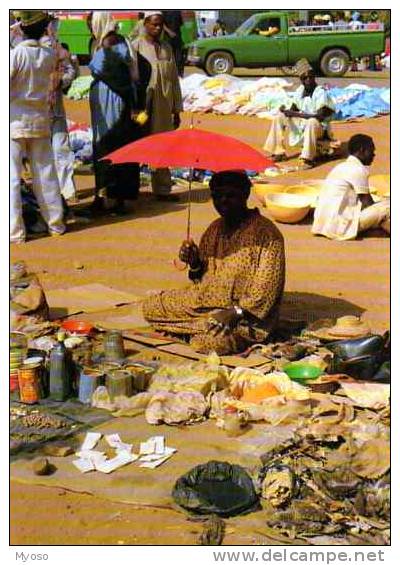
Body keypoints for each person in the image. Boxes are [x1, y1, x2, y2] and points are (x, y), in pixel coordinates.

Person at [143, 170, 286, 355]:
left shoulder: (267, 235)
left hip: (245, 318)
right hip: (203, 304)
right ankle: (197, 328)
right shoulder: (214, 229)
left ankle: (195, 331)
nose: (223, 202)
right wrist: (194, 262)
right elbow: (200, 278)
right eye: (217, 196)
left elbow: (266, 291)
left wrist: (234, 313)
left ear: (245, 195)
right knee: (150, 307)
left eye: (230, 195)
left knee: (209, 343)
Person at [10, 10, 65, 244]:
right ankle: (56, 224)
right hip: (40, 120)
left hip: (14, 120)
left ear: (21, 29)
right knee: (45, 174)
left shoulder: (16, 55)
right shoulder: (48, 55)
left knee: (11, 177)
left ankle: (15, 232)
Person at [89, 11, 151, 215]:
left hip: (113, 103)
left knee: (109, 146)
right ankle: (110, 197)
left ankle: (111, 199)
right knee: (116, 146)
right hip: (116, 101)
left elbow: (112, 72)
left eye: (91, 23)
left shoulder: (110, 42)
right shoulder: (118, 40)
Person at [131, 11, 183, 201]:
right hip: (143, 108)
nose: (158, 28)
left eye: (160, 25)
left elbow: (174, 80)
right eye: (154, 24)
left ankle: (162, 190)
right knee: (138, 145)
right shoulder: (135, 47)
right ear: (145, 24)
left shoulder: (166, 48)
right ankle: (131, 188)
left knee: (162, 147)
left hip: (163, 108)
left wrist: (176, 110)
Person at [312, 134, 390, 240]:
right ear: (362, 150)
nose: (374, 155)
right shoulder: (358, 169)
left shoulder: (341, 167)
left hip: (323, 224)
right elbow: (368, 204)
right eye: (371, 151)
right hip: (339, 227)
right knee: (387, 207)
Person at [263, 58, 335, 170]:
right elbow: (293, 109)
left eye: (310, 77)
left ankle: (307, 159)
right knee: (279, 117)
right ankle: (278, 152)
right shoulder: (300, 91)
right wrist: (285, 111)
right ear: (301, 80)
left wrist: (295, 114)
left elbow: (320, 116)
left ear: (314, 77)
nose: (308, 80)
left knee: (311, 121)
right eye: (305, 78)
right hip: (302, 124)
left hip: (319, 129)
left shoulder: (320, 92)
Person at [40, 18, 79, 203]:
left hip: (56, 109)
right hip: (35, 112)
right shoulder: (24, 49)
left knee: (61, 149)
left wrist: (58, 82)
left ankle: (68, 191)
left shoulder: (59, 49)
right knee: (40, 155)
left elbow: (71, 71)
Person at [162, 10, 184, 77]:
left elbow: (181, 23)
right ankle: (170, 74)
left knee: (179, 56)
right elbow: (161, 24)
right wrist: (169, 32)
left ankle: (179, 74)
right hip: (168, 37)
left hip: (177, 36)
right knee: (169, 56)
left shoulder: (178, 11)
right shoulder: (163, 11)